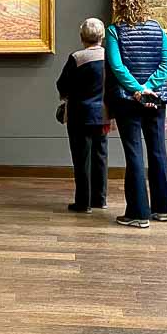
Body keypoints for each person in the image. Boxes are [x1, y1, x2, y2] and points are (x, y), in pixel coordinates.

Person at [105, 0, 167, 229]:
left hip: (128, 101)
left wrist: (137, 90)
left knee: (134, 154)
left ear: (120, 4)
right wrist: (149, 87)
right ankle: (162, 209)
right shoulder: (158, 28)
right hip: (156, 99)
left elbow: (117, 66)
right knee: (158, 152)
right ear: (144, 3)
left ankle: (138, 213)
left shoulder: (114, 31)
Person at [56, 18, 108, 212]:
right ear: (101, 36)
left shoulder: (77, 58)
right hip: (102, 114)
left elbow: (62, 85)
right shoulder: (109, 57)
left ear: (82, 37)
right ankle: (99, 198)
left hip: (79, 115)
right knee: (100, 156)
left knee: (81, 158)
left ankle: (83, 202)